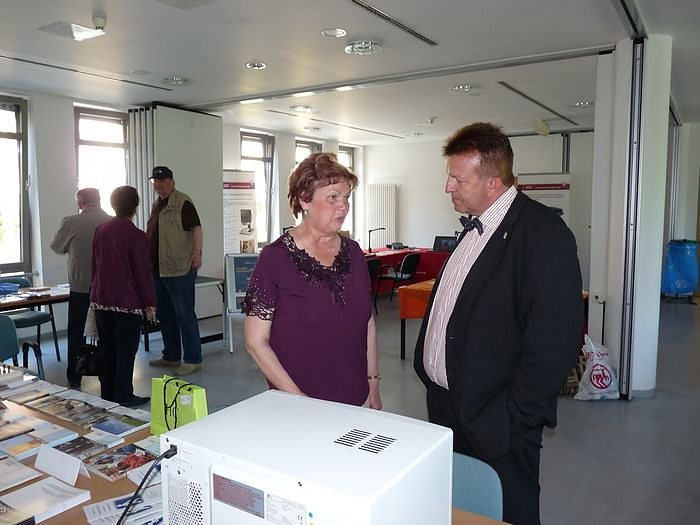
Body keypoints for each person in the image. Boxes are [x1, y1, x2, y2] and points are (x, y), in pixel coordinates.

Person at [413, 122, 583, 525]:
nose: (447, 187)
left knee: (508, 511)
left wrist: (514, 418)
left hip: (497, 420)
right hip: (449, 407)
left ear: (492, 183)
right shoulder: (475, 226)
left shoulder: (544, 234)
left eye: (457, 179)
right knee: (460, 509)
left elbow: (554, 343)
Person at [242, 152, 382, 409]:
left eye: (346, 197)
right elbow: (255, 342)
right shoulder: (275, 258)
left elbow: (367, 322)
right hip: (298, 405)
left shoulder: (353, 252)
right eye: (333, 197)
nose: (344, 206)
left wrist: (373, 382)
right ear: (304, 199)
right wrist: (300, 400)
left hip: (355, 397)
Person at [90, 186, 155, 407]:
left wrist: (94, 291)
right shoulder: (137, 237)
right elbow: (141, 273)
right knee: (126, 351)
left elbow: (95, 265)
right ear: (135, 207)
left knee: (107, 348)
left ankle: (107, 394)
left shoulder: (101, 230)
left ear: (113, 204)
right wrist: (150, 302)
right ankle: (124, 395)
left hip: (101, 299)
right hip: (128, 302)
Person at [145, 166, 204, 377]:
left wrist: (197, 253)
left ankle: (193, 359)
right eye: (155, 181)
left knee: (185, 315)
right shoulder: (157, 205)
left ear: (172, 181)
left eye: (162, 181)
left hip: (179, 269)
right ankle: (171, 355)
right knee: (165, 315)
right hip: (158, 270)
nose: (158, 185)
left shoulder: (183, 202)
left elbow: (196, 229)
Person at [50, 188, 110, 388]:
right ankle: (106, 376)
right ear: (99, 200)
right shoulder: (112, 221)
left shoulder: (71, 222)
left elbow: (57, 246)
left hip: (81, 287)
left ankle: (74, 376)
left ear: (79, 203)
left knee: (76, 332)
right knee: (105, 333)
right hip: (107, 289)